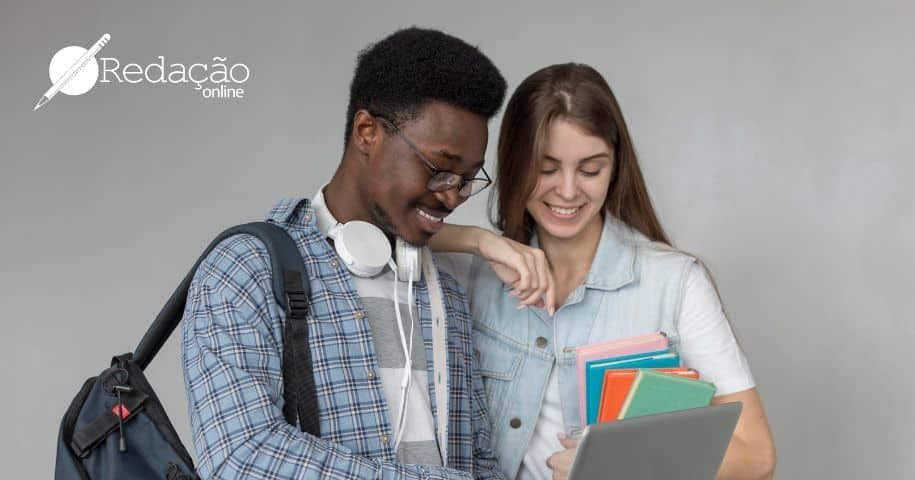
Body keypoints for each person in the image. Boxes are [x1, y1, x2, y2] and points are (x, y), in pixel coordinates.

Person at [180, 27, 508, 479]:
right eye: (440, 170)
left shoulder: (443, 289)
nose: (452, 197)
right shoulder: (243, 270)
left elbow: (479, 463)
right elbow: (242, 459)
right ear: (367, 131)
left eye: (468, 179)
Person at [431, 63, 777, 480]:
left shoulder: (675, 282)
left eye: (591, 169)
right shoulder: (473, 272)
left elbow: (756, 456)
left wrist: (617, 464)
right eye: (546, 168)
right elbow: (370, 234)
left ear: (615, 168)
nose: (569, 190)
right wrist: (478, 240)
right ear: (515, 163)